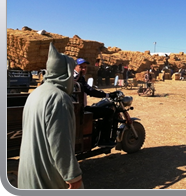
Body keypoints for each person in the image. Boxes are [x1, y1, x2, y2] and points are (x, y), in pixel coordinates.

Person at [18, 42, 83, 189]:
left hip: (28, 174)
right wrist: (73, 178)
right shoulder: (59, 98)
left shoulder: (35, 93)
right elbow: (60, 144)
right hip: (46, 178)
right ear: (66, 72)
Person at [74, 58, 117, 147]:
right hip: (80, 110)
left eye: (85, 67)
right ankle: (103, 140)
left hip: (76, 108)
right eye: (81, 67)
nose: (83, 69)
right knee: (109, 112)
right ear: (75, 67)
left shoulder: (72, 76)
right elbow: (90, 91)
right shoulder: (77, 77)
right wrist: (107, 95)